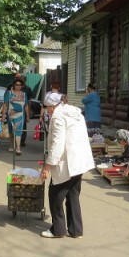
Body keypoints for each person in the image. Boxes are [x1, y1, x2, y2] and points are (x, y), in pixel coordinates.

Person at [39, 92, 94, 238]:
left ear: (53, 106)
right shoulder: (75, 113)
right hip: (80, 161)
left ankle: (58, 230)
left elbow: (58, 144)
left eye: (47, 107)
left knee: (55, 195)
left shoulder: (58, 117)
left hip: (68, 162)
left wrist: (47, 166)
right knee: (73, 195)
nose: (47, 110)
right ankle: (76, 230)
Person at [0, 76, 30, 155]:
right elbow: (5, 105)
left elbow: (26, 106)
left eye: (20, 85)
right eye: (16, 84)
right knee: (11, 132)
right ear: (14, 85)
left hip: (21, 116)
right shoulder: (9, 93)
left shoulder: (24, 94)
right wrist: (3, 116)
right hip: (10, 115)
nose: (18, 86)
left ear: (22, 86)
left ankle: (18, 148)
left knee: (18, 131)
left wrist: (28, 116)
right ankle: (11, 144)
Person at [6, 73, 32, 146]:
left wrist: (28, 111)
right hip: (14, 109)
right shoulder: (12, 87)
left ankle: (20, 141)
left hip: (21, 110)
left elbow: (29, 101)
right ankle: (16, 142)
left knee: (21, 126)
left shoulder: (27, 89)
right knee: (15, 125)